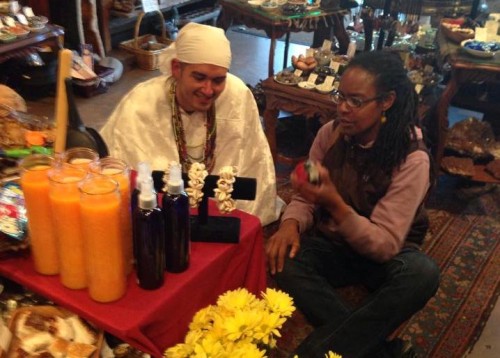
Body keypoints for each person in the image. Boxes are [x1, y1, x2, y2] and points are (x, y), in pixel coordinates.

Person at [265, 51, 440, 357]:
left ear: (386, 101)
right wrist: (290, 224)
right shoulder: (329, 133)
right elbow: (306, 194)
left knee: (421, 274)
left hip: (386, 256)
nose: (343, 109)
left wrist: (335, 204)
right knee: (283, 258)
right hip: (336, 243)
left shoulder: (413, 157)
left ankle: (318, 352)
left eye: (356, 101)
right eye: (340, 97)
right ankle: (382, 352)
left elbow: (384, 245)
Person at [100, 23, 281, 226]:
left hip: (221, 218)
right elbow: (115, 170)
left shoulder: (237, 95)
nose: (208, 90)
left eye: (218, 80)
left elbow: (253, 162)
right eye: (199, 77)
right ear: (177, 68)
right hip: (161, 219)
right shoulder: (141, 102)